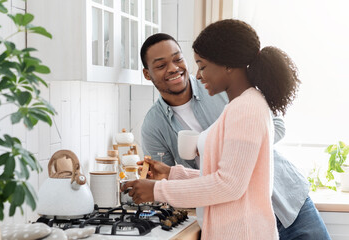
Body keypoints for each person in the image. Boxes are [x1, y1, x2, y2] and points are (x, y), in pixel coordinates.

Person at [124, 23, 330, 239]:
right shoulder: (232, 103)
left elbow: (229, 183)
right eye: (161, 65)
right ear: (147, 74)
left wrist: (159, 189)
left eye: (199, 65)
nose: (197, 75)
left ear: (227, 65)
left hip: (285, 203)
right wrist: (171, 174)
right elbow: (226, 178)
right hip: (243, 216)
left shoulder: (245, 104)